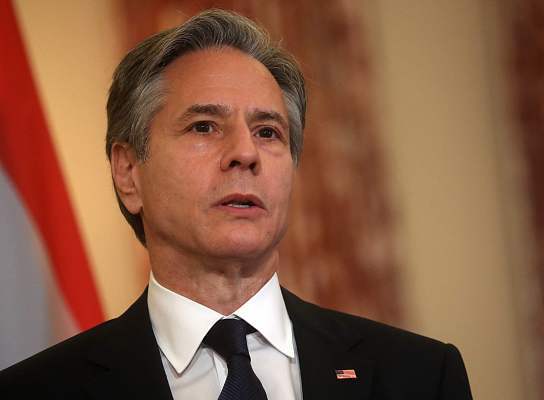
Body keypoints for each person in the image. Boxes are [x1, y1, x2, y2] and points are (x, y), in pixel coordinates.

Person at [0, 9, 472, 399]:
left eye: (268, 132)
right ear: (128, 172)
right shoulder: (35, 391)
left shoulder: (420, 375)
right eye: (204, 126)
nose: (246, 153)